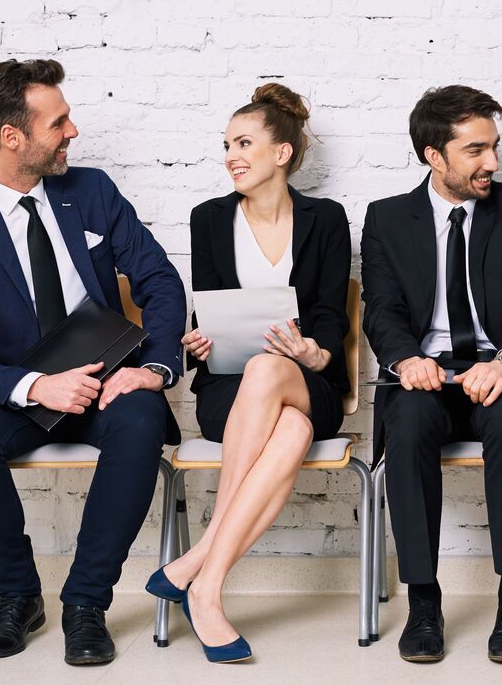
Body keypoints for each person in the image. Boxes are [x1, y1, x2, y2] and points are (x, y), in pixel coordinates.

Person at [0, 59, 186, 665]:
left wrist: (156, 369)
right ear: (13, 137)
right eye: (58, 121)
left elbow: (160, 282)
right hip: (19, 391)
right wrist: (37, 386)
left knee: (141, 422)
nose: (73, 131)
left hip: (109, 378)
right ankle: (16, 597)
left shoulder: (91, 192)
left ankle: (86, 603)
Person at [360, 85, 502, 664]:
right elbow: (379, 308)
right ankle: (423, 603)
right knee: (406, 426)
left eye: (495, 147)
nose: (494, 163)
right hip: (424, 370)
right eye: (476, 150)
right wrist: (406, 360)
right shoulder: (386, 218)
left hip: (501, 368)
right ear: (434, 155)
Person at [143, 83, 351, 663]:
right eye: (226, 145)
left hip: (310, 383)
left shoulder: (326, 219)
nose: (231, 155)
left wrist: (314, 354)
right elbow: (204, 309)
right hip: (227, 389)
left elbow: (332, 313)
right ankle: (206, 588)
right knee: (291, 431)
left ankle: (200, 558)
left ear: (281, 153)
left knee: (271, 369)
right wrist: (197, 341)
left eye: (243, 143)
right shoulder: (208, 219)